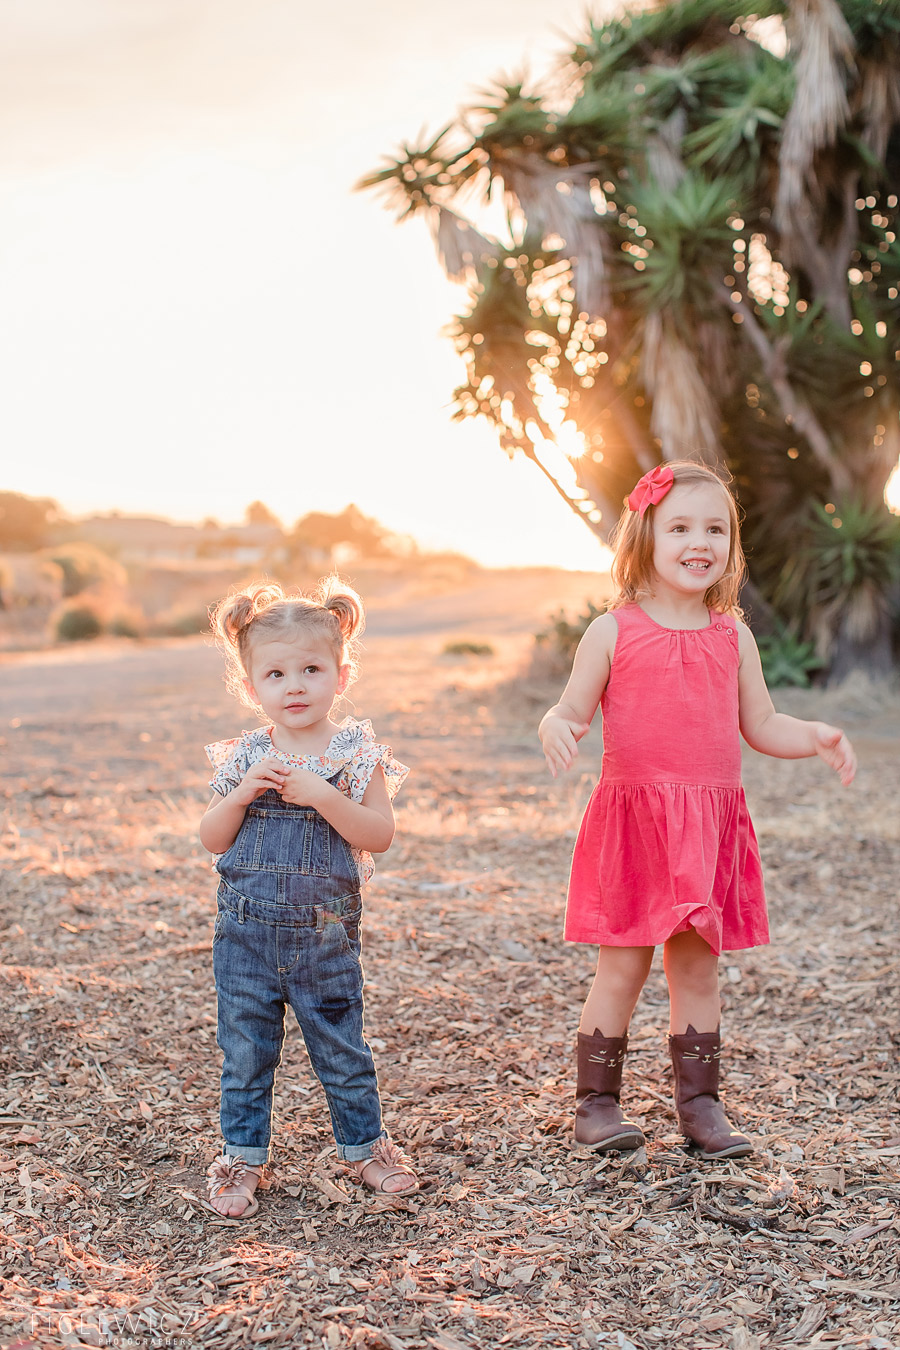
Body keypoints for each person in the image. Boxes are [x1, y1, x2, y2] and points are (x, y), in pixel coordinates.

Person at [539, 461, 856, 1160]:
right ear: (646, 536)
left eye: (715, 528)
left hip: (706, 830)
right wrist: (556, 725)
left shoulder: (732, 636)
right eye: (680, 526)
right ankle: (596, 1106)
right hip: (637, 827)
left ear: (731, 545)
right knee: (622, 968)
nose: (699, 541)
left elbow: (763, 723)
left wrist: (815, 737)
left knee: (697, 969)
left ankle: (701, 1108)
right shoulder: (612, 630)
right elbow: (570, 707)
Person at [199, 578, 418, 1217]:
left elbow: (380, 835)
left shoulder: (356, 754)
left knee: (342, 1047)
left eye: (311, 669)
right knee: (245, 1053)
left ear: (341, 675)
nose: (294, 686)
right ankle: (240, 1159)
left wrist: (326, 797)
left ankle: (364, 1148)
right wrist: (240, 794)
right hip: (243, 939)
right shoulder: (245, 756)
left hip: (324, 935)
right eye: (275, 674)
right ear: (251, 687)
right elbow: (210, 838)